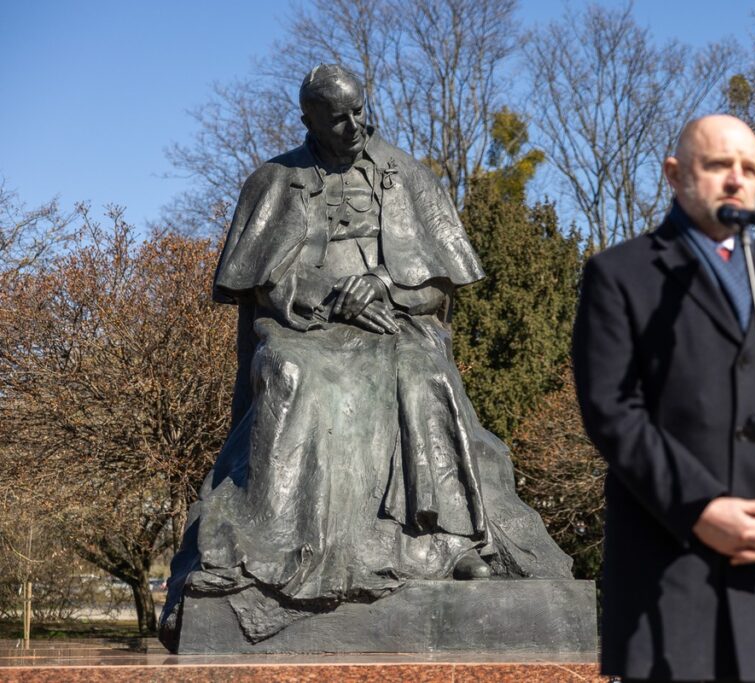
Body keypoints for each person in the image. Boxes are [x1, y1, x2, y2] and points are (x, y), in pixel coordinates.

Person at [158, 64, 570, 651]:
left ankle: (449, 544)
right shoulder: (274, 179)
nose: (355, 125)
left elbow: (438, 288)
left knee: (425, 372)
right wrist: (328, 295)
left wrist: (385, 285)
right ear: (309, 122)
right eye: (337, 118)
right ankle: (271, 544)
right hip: (307, 330)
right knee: (293, 375)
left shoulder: (408, 176)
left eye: (359, 111)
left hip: (394, 326)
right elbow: (256, 289)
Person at [572, 115, 755, 682]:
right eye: (719, 164)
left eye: (749, 169)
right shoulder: (620, 274)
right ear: (675, 174)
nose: (735, 179)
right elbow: (612, 410)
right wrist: (700, 507)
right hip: (668, 569)